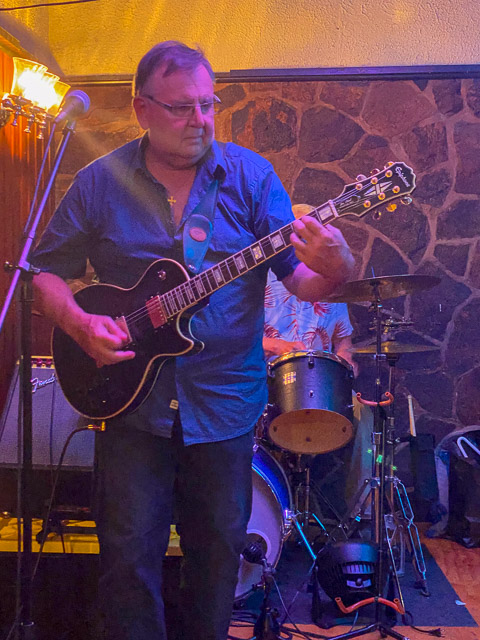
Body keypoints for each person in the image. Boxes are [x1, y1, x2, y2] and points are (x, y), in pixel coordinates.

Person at [30, 42, 354, 640]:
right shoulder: (100, 181)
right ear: (142, 109)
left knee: (216, 562)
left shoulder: (251, 177)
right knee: (127, 561)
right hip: (130, 407)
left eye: (208, 105)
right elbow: (44, 273)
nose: (200, 120)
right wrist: (78, 323)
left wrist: (337, 265)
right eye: (182, 108)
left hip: (224, 405)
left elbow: (303, 280)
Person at [263, 203, 371, 515]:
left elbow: (344, 344)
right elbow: (234, 339)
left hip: (322, 391)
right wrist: (277, 346)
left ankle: (359, 514)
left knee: (364, 415)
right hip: (270, 387)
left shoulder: (332, 290)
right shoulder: (261, 281)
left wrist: (346, 365)